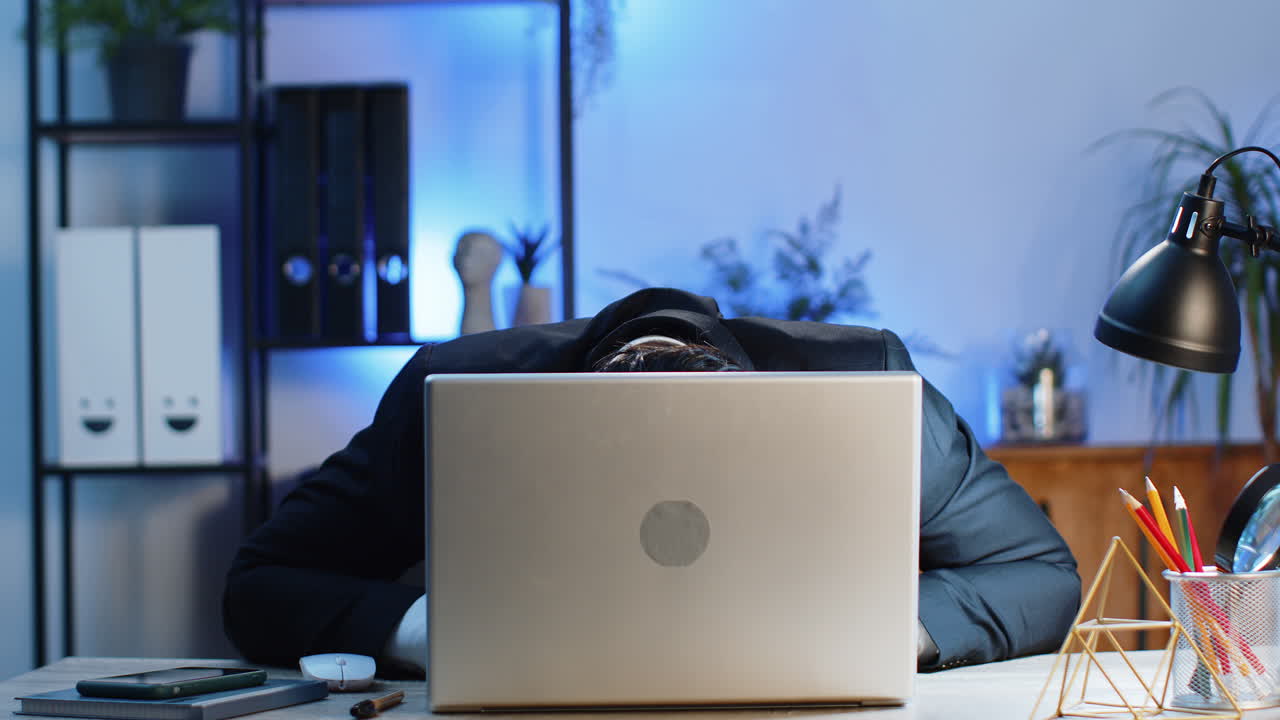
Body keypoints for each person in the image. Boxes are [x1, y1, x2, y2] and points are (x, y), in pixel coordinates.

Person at [223, 287, 1080, 673]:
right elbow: (261, 583)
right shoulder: (455, 398)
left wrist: (898, 630)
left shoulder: (871, 389)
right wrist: (444, 632)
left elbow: (1044, 574)